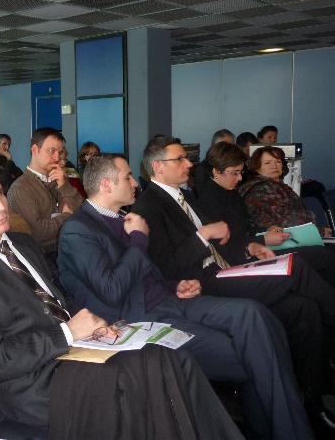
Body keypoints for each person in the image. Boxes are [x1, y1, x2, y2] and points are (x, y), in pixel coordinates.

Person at [0, 161, 243, 440]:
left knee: (172, 358)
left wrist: (93, 323)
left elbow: (57, 299)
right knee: (140, 380)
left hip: (76, 353)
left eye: (0, 194)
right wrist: (68, 332)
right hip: (31, 383)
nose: (1, 205)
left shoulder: (22, 244)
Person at [59, 154, 313, 440]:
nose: (134, 182)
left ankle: (276, 429)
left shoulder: (124, 219)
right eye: (127, 177)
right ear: (107, 185)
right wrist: (139, 239)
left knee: (254, 315)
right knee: (257, 354)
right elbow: (112, 289)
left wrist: (174, 286)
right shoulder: (79, 230)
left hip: (171, 301)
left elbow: (144, 276)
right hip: (139, 319)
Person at [132, 137, 335, 422]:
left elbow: (225, 241)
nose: (189, 163)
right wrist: (203, 235)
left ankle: (312, 398)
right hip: (202, 283)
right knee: (296, 266)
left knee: (304, 308)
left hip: (226, 270)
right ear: (158, 166)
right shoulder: (148, 207)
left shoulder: (184, 197)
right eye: (180, 159)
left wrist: (250, 247)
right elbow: (167, 267)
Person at [7, 128, 83, 258]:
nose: (57, 158)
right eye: (51, 151)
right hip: (43, 258)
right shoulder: (20, 188)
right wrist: (66, 216)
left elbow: (82, 213)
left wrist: (64, 186)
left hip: (70, 249)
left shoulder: (60, 180)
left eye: (60, 152)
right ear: (35, 150)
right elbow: (39, 234)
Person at [239, 146, 325, 234]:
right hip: (275, 238)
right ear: (257, 167)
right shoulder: (260, 190)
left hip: (291, 235)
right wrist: (320, 231)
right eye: (267, 163)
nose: (274, 166)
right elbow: (286, 220)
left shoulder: (277, 185)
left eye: (278, 162)